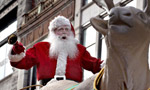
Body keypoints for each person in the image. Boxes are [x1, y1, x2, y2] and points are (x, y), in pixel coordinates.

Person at [8, 16, 103, 84]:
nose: (64, 32)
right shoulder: (41, 47)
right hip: (48, 86)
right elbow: (23, 62)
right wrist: (17, 49)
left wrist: (108, 63)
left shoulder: (79, 50)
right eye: (60, 29)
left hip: (73, 87)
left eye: (66, 29)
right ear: (53, 32)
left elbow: (94, 64)